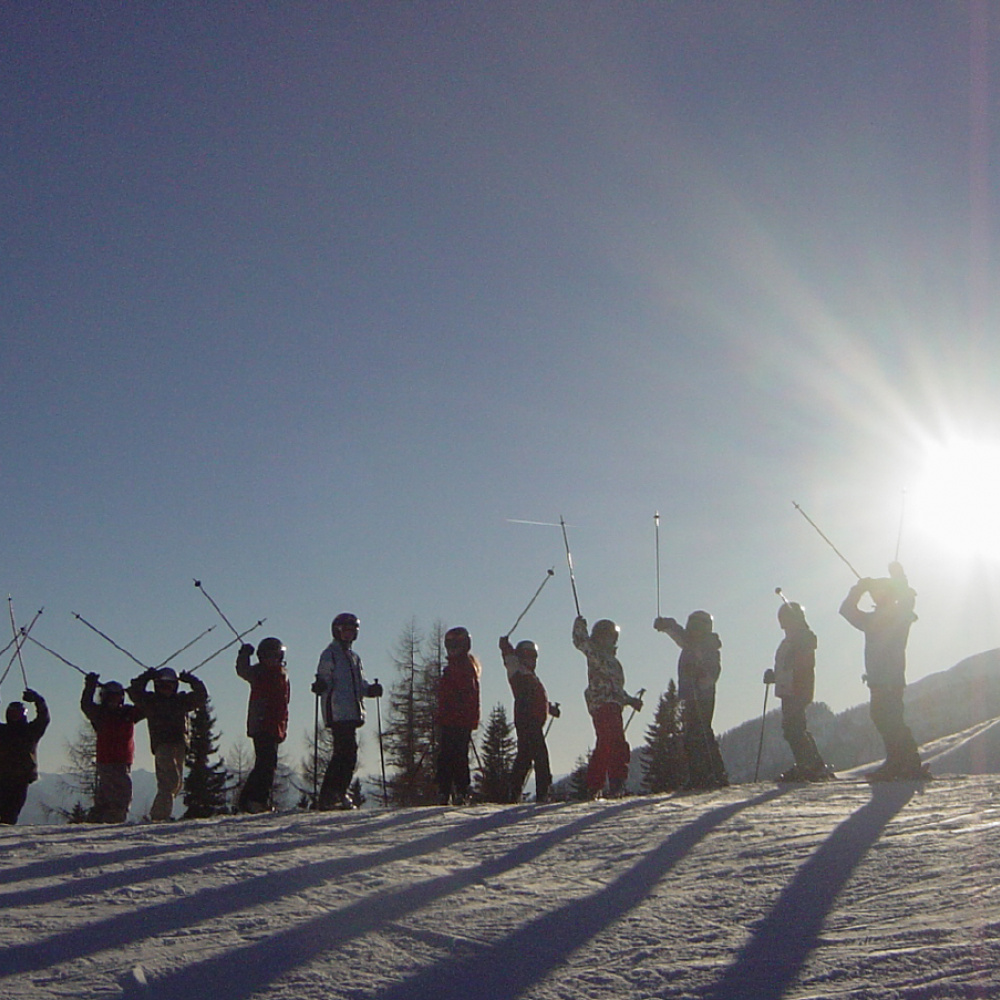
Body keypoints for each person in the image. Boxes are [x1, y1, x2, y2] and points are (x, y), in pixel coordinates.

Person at [839, 562, 924, 780]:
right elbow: (845, 611)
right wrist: (860, 589)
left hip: (890, 678)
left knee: (890, 718)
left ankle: (905, 762)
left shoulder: (897, 616)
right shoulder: (873, 619)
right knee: (883, 718)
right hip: (879, 679)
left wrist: (898, 577)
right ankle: (900, 761)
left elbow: (907, 600)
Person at [312, 613, 382, 811]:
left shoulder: (353, 657)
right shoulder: (330, 654)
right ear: (337, 631)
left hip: (352, 712)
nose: (349, 635)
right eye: (345, 631)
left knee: (348, 754)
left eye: (352, 631)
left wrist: (370, 690)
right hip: (337, 710)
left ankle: (335, 793)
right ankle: (331, 794)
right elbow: (324, 676)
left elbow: (359, 685)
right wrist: (320, 684)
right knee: (345, 752)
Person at [653, 611, 729, 789]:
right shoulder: (690, 643)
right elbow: (677, 632)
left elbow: (713, 672)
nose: (692, 630)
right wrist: (666, 624)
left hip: (703, 696)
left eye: (696, 627)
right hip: (690, 695)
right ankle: (700, 775)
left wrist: (699, 675)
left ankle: (714, 774)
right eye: (691, 626)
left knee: (701, 734)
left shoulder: (708, 647)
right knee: (692, 736)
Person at [573, 616, 643, 798]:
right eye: (607, 636)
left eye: (612, 637)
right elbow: (580, 641)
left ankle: (614, 783)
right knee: (608, 741)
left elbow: (617, 689)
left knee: (615, 743)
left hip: (614, 705)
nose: (610, 640)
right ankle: (598, 785)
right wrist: (580, 625)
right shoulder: (594, 653)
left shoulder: (614, 663)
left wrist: (630, 700)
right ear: (598, 637)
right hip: (601, 705)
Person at [128, 666, 208, 820]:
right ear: (156, 686)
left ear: (175, 686)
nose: (166, 689)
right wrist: (147, 676)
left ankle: (159, 814)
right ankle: (158, 816)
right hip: (162, 745)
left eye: (170, 685)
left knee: (175, 784)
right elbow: (134, 692)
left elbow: (202, 696)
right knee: (169, 781)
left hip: (179, 745)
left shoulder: (180, 701)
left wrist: (191, 680)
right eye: (162, 685)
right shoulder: (151, 701)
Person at [766, 602, 830, 782]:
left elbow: (801, 663)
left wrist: (784, 674)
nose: (783, 623)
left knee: (793, 728)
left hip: (797, 687)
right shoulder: (790, 641)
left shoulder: (802, 638)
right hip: (789, 687)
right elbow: (787, 665)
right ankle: (812, 764)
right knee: (795, 727)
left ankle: (808, 765)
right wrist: (775, 676)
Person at [500, 635, 559, 803]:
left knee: (525, 756)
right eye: (527, 655)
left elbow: (538, 700)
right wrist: (505, 646)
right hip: (527, 719)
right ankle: (542, 791)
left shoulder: (531, 677)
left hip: (532, 719)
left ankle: (515, 791)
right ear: (520, 656)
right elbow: (509, 659)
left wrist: (550, 709)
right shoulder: (517, 671)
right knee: (540, 755)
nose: (531, 660)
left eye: (533, 656)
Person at [235, 636, 290, 814]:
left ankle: (248, 800)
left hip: (275, 724)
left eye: (275, 656)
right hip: (261, 723)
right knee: (265, 763)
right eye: (268, 656)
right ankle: (256, 800)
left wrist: (284, 726)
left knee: (267, 763)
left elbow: (284, 703)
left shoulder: (283, 675)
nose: (271, 660)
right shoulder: (259, 672)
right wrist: (244, 655)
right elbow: (243, 670)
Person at [81, 674, 145, 822]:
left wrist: (136, 689)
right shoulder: (100, 713)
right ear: (104, 698)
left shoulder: (128, 713)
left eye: (117, 698)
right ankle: (113, 821)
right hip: (108, 760)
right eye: (110, 698)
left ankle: (97, 821)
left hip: (122, 761)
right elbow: (86, 705)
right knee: (121, 795)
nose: (113, 702)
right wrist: (89, 686)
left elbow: (146, 706)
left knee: (106, 794)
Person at [435, 626, 481, 805]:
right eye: (451, 644)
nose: (453, 648)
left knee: (457, 754)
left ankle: (460, 790)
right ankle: (445, 790)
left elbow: (467, 695)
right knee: (447, 755)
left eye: (457, 644)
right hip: (450, 718)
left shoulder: (465, 667)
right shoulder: (454, 668)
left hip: (459, 719)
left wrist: (465, 715)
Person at [0, 689, 49, 825]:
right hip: (3, 777)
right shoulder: (2, 731)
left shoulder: (30, 731)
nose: (15, 716)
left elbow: (43, 718)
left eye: (18, 713)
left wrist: (39, 701)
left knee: (10, 814)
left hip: (20, 779)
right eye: (12, 713)